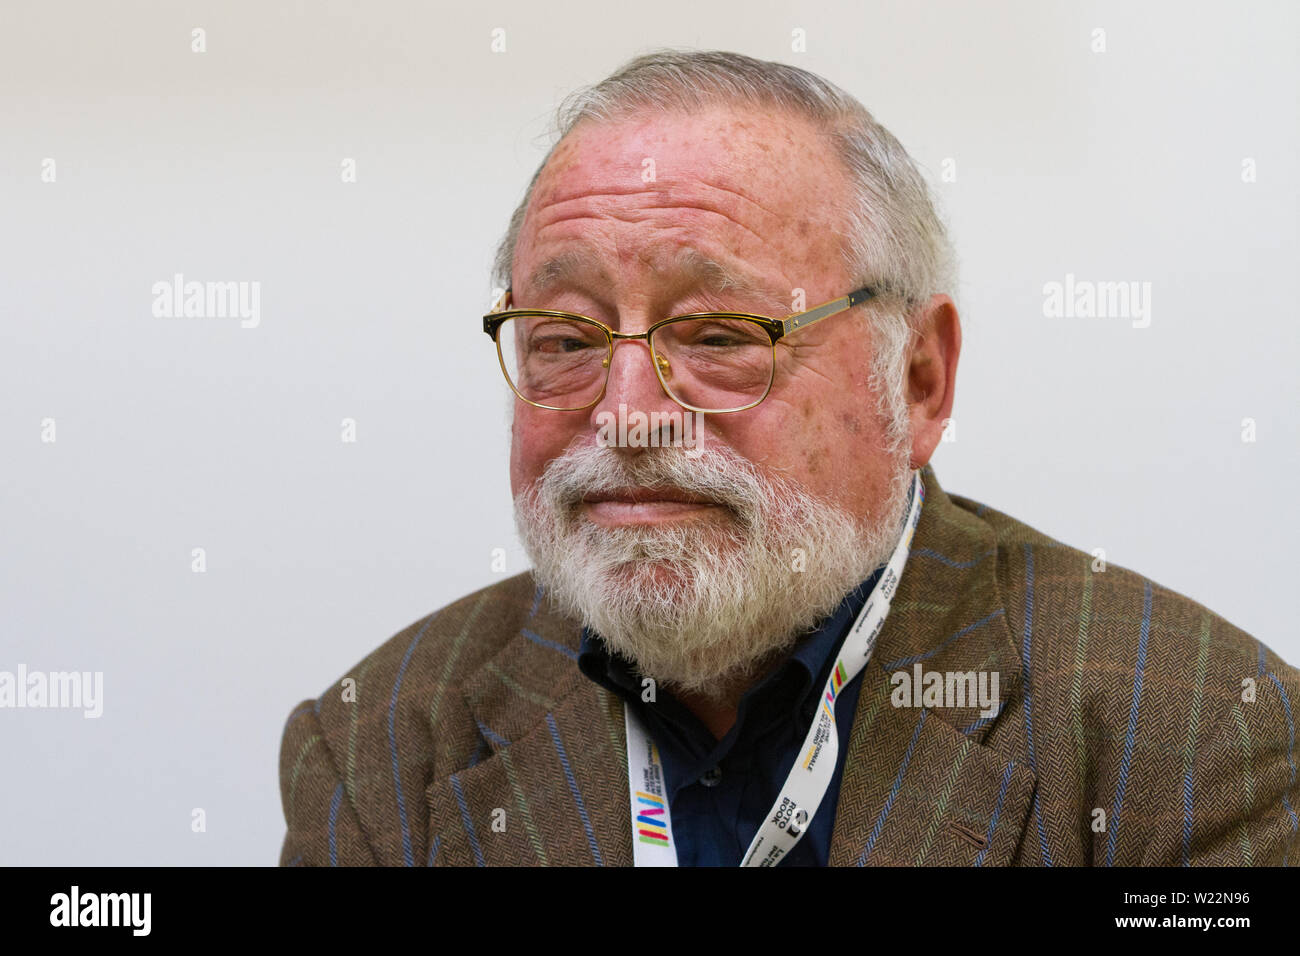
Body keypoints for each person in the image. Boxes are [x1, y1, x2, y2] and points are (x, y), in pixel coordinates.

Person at [278, 49, 1298, 867]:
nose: (630, 417)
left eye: (721, 333)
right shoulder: (384, 747)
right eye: (567, 338)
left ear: (919, 378)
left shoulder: (1192, 734)